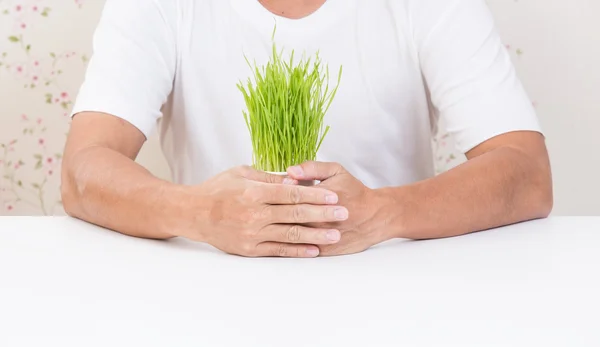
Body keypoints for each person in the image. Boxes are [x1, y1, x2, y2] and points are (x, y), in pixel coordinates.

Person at [61, 0, 553, 257]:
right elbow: (84, 170)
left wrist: (382, 214)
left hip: (392, 284)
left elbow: (526, 172)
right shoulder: (160, 4)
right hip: (214, 285)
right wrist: (203, 213)